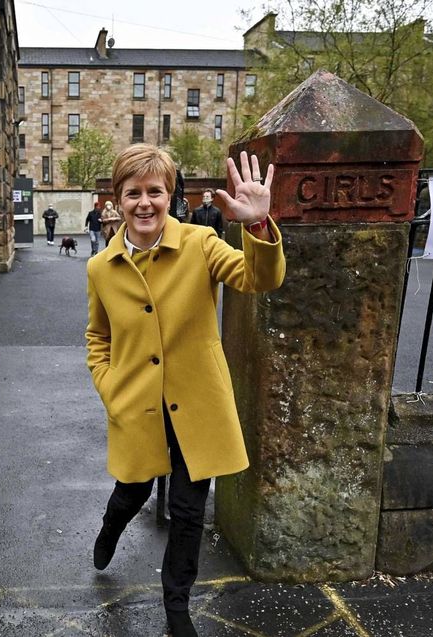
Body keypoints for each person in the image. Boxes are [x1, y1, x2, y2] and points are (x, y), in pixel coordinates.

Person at [85, 145, 285, 636]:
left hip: (195, 405)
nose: (145, 202)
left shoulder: (201, 241)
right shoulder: (101, 267)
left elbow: (259, 278)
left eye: (156, 191)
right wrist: (110, 387)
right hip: (137, 404)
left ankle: (177, 605)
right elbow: (98, 337)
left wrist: (257, 226)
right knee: (129, 494)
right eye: (134, 193)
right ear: (118, 200)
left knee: (188, 511)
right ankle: (111, 527)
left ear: (171, 196)